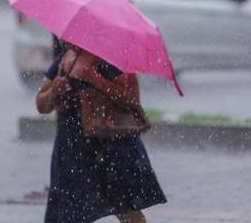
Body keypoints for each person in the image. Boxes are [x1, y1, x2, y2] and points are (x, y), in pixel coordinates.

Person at [36, 42, 166, 223]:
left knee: (125, 208)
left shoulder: (112, 59)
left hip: (111, 145)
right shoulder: (62, 61)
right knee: (68, 211)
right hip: (73, 149)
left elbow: (131, 99)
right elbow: (41, 105)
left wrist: (94, 78)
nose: (64, 39)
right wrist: (53, 91)